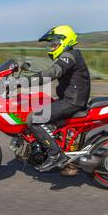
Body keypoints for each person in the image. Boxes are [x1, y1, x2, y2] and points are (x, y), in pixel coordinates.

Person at [27, 25, 91, 174]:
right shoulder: (71, 55)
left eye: (54, 44)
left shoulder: (69, 55)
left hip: (72, 101)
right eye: (51, 44)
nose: (52, 47)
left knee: (34, 119)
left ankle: (55, 154)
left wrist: (24, 82)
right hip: (70, 99)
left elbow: (52, 72)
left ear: (65, 41)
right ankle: (67, 160)